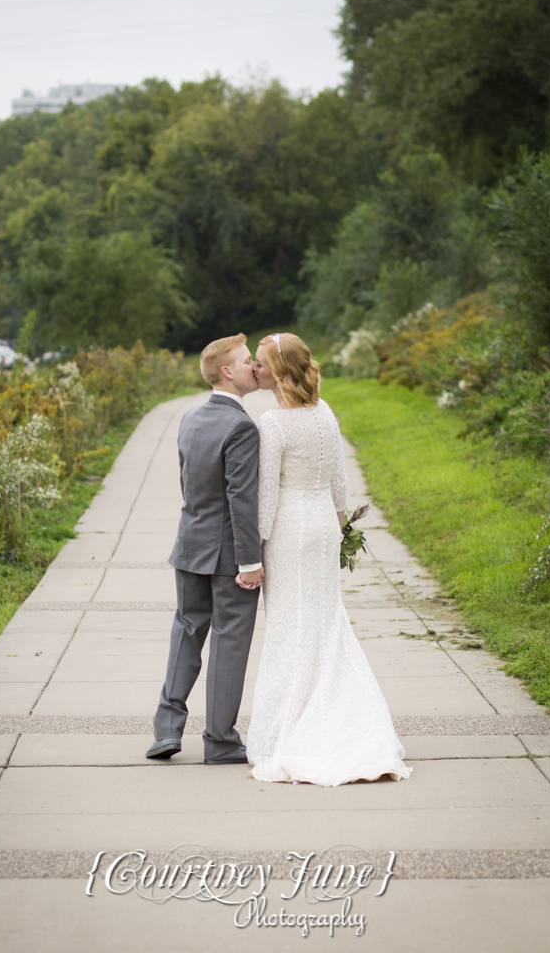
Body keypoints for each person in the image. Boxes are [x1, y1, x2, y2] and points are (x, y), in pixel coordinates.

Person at [244, 332, 411, 786]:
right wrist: (335, 531)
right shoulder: (325, 413)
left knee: (290, 625)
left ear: (278, 372)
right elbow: (339, 485)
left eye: (260, 363)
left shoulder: (273, 423)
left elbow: (266, 497)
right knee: (323, 620)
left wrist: (254, 550)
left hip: (289, 530)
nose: (254, 369)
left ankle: (292, 727)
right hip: (321, 526)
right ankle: (342, 712)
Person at [146, 334, 264, 765]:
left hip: (189, 543)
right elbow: (241, 499)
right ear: (227, 371)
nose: (255, 366)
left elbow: (188, 485)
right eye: (248, 360)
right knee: (230, 641)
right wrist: (251, 561)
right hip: (228, 554)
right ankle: (220, 740)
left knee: (186, 631)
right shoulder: (241, 426)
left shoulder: (190, 419)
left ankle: (167, 728)